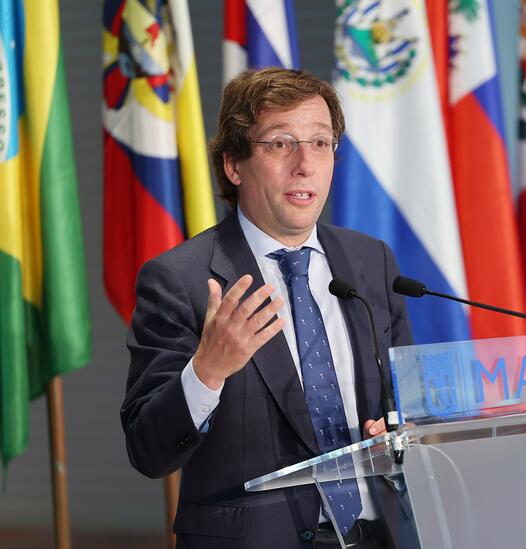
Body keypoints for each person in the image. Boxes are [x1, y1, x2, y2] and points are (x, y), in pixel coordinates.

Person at [121, 68, 418, 549]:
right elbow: (147, 451)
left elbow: (409, 402)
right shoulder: (180, 280)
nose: (305, 165)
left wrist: (400, 426)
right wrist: (207, 373)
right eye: (280, 144)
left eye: (320, 143)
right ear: (233, 165)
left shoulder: (371, 262)